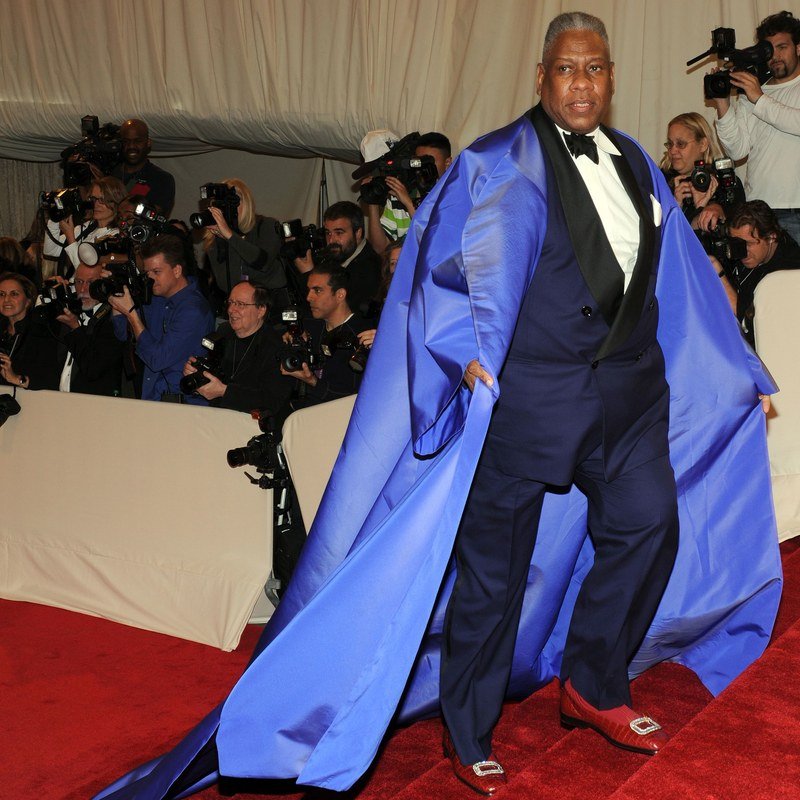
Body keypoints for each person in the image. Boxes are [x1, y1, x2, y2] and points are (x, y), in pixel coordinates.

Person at [93, 14, 779, 800]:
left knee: (650, 527)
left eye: (595, 68)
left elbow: (683, 276)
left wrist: (735, 365)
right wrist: (467, 352)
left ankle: (593, 681)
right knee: (497, 576)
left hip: (628, 394)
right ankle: (471, 728)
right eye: (567, 68)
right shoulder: (495, 161)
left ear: (612, 77)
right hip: (528, 400)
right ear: (541, 77)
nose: (582, 82)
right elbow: (439, 268)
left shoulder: (633, 162)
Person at [712, 10, 800, 243]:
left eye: (782, 47)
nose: (775, 56)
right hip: (759, 211)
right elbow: (737, 150)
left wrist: (758, 98)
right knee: (765, 281)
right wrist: (723, 103)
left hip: (797, 209)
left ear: (798, 48)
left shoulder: (757, 93)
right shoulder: (755, 90)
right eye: (769, 49)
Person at [109, 234, 215, 403]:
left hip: (181, 405)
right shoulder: (155, 298)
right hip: (153, 399)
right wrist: (116, 298)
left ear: (177, 270)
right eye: (147, 272)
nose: (150, 278)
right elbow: (124, 335)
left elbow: (157, 360)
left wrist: (131, 313)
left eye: (157, 272)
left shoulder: (194, 310)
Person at [182, 281, 294, 416]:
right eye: (230, 302)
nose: (231, 310)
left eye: (240, 304)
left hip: (257, 424)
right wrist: (198, 376)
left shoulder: (276, 346)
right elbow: (216, 377)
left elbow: (271, 400)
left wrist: (224, 391)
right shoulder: (224, 333)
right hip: (219, 418)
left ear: (261, 310)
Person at [281, 261, 373, 407]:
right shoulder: (310, 327)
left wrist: (312, 381)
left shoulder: (362, 337)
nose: (309, 297)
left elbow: (353, 398)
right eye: (309, 290)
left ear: (340, 295)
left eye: (317, 291)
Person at [712, 200, 800, 348]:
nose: (741, 250)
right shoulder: (756, 253)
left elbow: (748, 327)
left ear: (771, 237)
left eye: (749, 243)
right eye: (736, 242)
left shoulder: (787, 274)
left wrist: (719, 275)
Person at [363, 131, 453, 254]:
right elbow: (380, 248)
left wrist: (409, 204)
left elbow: (437, 245)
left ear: (447, 163)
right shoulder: (401, 194)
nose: (422, 167)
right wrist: (372, 203)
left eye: (428, 162)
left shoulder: (454, 196)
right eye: (418, 162)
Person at [198, 178, 286, 299]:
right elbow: (225, 284)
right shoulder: (217, 236)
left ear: (247, 202)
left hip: (270, 302)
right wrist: (223, 238)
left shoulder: (267, 225)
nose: (227, 207)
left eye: (232, 201)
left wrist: (230, 236)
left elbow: (263, 263)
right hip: (239, 305)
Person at [292, 201, 382, 316]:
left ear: (358, 233)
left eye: (339, 233)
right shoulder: (331, 257)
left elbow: (337, 313)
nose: (332, 240)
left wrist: (308, 275)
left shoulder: (369, 267)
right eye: (328, 233)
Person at [659, 112, 744, 231]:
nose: (673, 151)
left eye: (680, 144)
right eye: (670, 144)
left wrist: (719, 210)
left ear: (703, 144)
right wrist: (674, 206)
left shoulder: (725, 181)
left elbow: (741, 229)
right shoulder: (660, 181)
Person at [56, 262, 125, 396]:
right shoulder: (68, 312)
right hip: (60, 402)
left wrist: (75, 327)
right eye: (79, 282)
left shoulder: (115, 320)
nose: (83, 289)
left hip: (97, 407)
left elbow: (93, 368)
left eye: (91, 283)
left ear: (103, 286)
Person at [43, 176, 126, 277]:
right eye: (94, 199)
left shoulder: (116, 236)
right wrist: (56, 215)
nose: (96, 204)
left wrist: (70, 238)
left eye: (102, 200)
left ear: (116, 202)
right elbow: (51, 251)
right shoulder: (87, 227)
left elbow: (87, 274)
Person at [0, 272, 62, 390]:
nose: (6, 299)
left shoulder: (42, 333)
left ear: (28, 301)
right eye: (1, 294)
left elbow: (51, 379)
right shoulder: (2, 331)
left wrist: (16, 378)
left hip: (33, 403)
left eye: (14, 294)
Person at [112, 119, 176, 216]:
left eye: (138, 141)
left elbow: (155, 217)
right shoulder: (110, 174)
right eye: (126, 141)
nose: (131, 146)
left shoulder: (161, 179)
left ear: (148, 142)